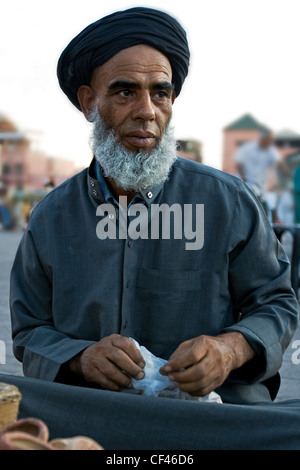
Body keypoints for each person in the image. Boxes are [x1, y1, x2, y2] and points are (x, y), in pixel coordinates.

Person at [10, 7, 299, 407]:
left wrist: (229, 350)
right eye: (126, 91)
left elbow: (277, 303)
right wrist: (79, 357)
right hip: (95, 418)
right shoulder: (50, 218)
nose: (147, 110)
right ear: (89, 102)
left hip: (217, 422)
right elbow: (29, 331)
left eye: (160, 93)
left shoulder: (229, 201)